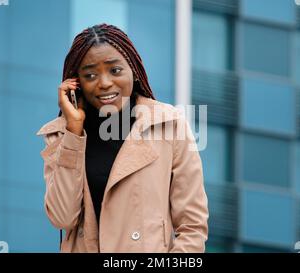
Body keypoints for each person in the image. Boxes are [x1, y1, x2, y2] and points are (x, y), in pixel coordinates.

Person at [36, 23, 208, 253]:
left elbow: (192, 227)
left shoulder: (169, 125)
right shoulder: (62, 135)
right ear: (76, 83)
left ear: (133, 71)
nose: (104, 82)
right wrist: (73, 132)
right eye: (90, 75)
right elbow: (62, 218)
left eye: (115, 70)